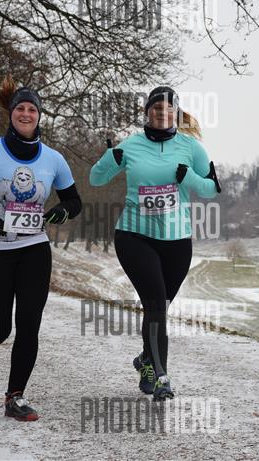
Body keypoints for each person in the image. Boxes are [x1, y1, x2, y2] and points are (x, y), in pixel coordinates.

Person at [0, 76, 82, 421]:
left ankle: (15, 396)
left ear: (39, 116)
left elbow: (74, 200)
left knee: (29, 325)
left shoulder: (54, 159)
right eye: (20, 108)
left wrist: (62, 211)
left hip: (34, 249)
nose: (26, 114)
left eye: (32, 109)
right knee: (0, 328)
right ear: (10, 114)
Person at [89, 86, 221, 400]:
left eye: (168, 109)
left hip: (177, 240)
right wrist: (109, 158)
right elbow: (96, 178)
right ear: (147, 112)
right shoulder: (131, 145)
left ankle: (146, 360)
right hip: (135, 235)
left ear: (176, 113)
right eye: (157, 109)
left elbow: (212, 189)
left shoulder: (191, 147)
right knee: (157, 304)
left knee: (158, 308)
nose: (162, 114)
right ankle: (161, 376)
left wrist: (189, 178)